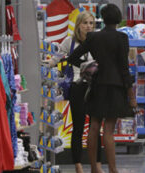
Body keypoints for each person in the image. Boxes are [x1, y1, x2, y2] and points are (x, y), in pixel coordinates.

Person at [67, 4, 134, 173]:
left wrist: (87, 67)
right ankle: (112, 169)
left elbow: (72, 57)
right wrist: (130, 92)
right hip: (116, 86)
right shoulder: (121, 38)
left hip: (97, 85)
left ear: (103, 19)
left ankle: (94, 169)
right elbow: (124, 68)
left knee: (94, 126)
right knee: (109, 131)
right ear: (118, 18)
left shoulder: (93, 37)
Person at [46, 12, 102, 173]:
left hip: (95, 87)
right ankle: (78, 164)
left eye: (91, 23)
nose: (89, 26)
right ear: (78, 25)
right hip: (77, 87)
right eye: (85, 23)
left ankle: (96, 164)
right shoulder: (69, 41)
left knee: (95, 127)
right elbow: (56, 58)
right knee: (78, 126)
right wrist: (45, 65)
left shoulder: (97, 41)